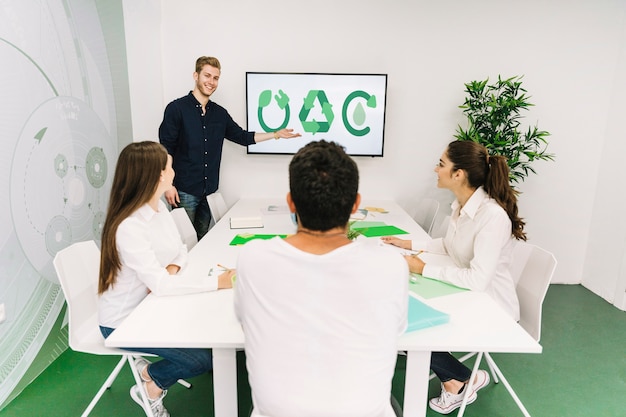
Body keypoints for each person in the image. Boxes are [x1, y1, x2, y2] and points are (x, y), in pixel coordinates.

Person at [234, 140, 409, 417]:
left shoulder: (252, 257)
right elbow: (396, 330)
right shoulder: (391, 264)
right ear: (356, 205)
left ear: (290, 202)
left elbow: (244, 322)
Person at [382, 140, 527, 415]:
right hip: (468, 295)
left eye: (441, 164)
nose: (436, 169)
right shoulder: (461, 206)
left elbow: (477, 280)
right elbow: (451, 246)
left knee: (410, 325)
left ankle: (459, 380)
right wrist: (409, 244)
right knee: (400, 311)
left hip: (491, 306)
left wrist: (422, 268)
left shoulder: (492, 216)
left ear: (459, 174)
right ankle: (456, 377)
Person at [97, 141, 236, 417]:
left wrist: (169, 271)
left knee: (209, 332)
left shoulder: (158, 208)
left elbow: (181, 251)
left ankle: (147, 372)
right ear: (158, 175)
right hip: (124, 322)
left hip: (155, 304)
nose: (174, 172)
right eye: (170, 167)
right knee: (203, 359)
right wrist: (214, 282)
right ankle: (152, 384)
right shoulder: (129, 227)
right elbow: (160, 285)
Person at [159, 56, 301, 239]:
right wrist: (168, 184)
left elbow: (243, 137)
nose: (211, 82)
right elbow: (166, 148)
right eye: (207, 76)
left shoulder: (219, 114)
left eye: (215, 78)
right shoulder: (176, 109)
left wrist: (275, 134)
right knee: (182, 243)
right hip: (183, 191)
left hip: (209, 192)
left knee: (202, 241)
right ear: (196, 75)